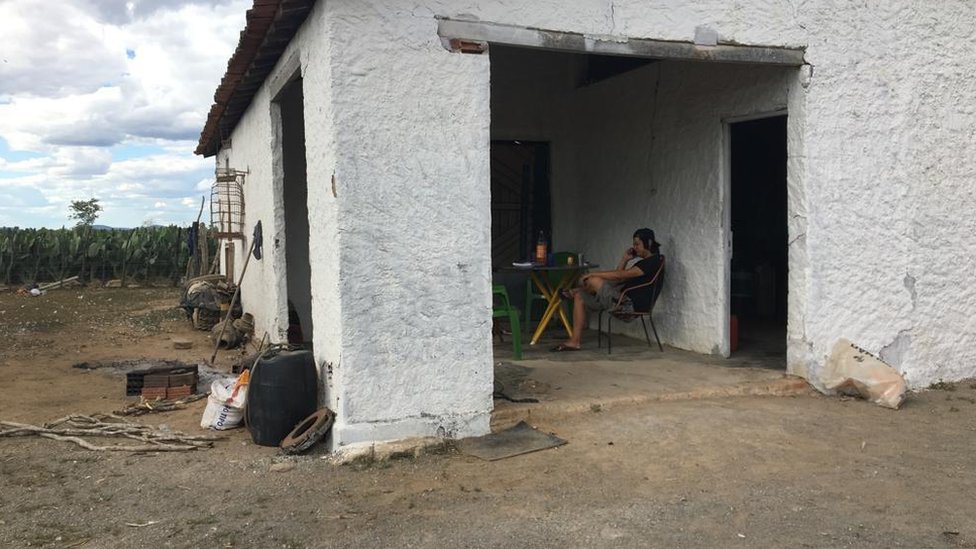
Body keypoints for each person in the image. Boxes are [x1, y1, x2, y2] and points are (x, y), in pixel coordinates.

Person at [550, 228, 663, 351]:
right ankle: (574, 341)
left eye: (637, 244)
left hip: (628, 306)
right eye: (633, 244)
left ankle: (573, 291)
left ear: (649, 243)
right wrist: (624, 259)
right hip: (619, 300)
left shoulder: (654, 261)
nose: (634, 247)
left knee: (593, 280)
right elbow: (618, 280)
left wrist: (593, 275)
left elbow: (620, 275)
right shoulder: (642, 263)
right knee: (580, 296)